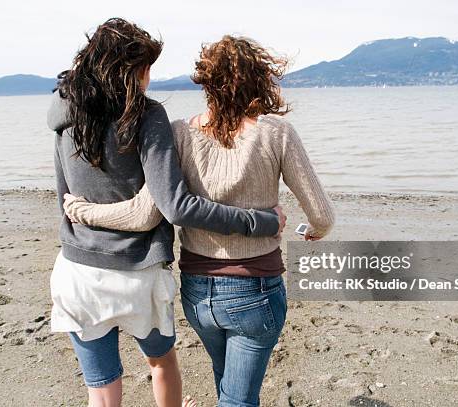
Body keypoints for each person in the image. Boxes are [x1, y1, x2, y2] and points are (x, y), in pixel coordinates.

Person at [63, 35, 334, 407]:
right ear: (260, 78)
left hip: (198, 294)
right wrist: (313, 230)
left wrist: (83, 210)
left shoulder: (179, 133)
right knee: (238, 399)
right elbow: (321, 215)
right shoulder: (276, 132)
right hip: (255, 290)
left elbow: (145, 212)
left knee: (228, 386)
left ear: (205, 83)